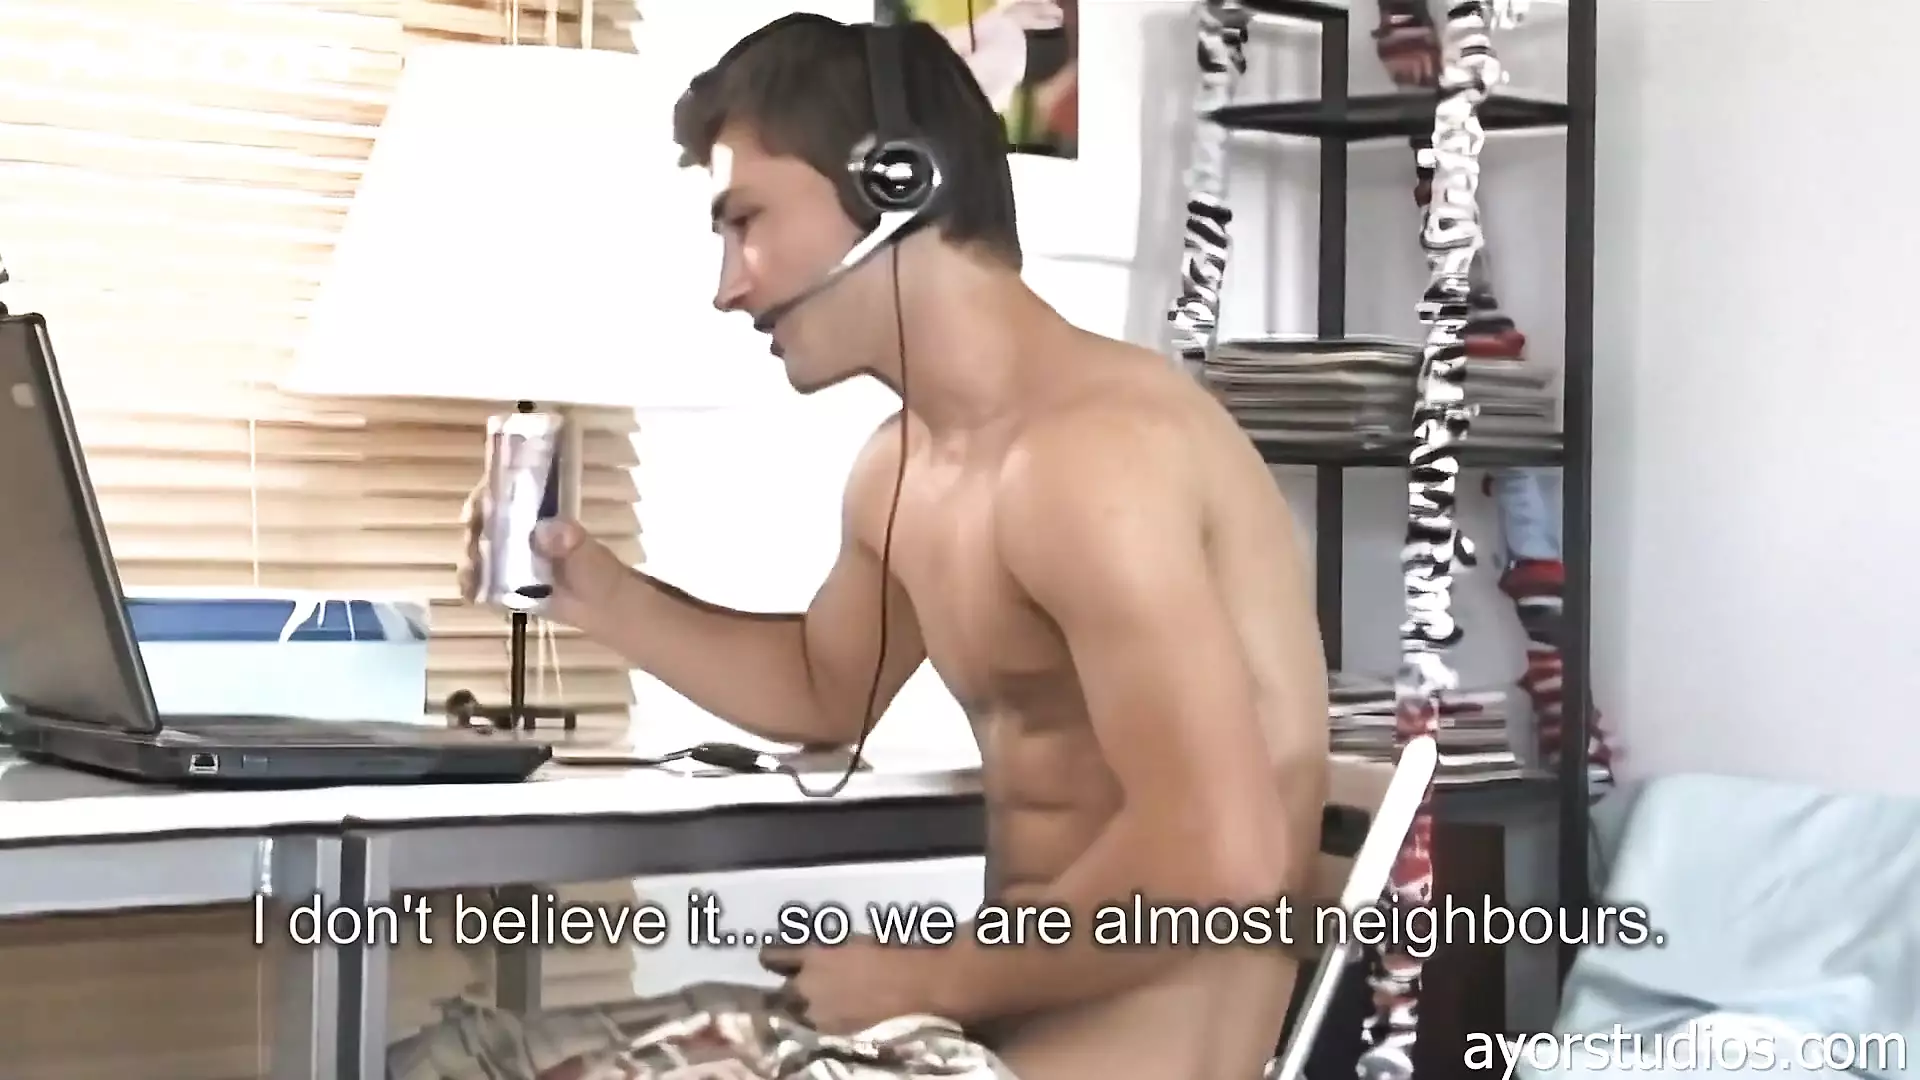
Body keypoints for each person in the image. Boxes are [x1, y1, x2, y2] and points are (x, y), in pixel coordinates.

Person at [451, 14, 1328, 1080]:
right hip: (971, 1032)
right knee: (466, 1057)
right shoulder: (907, 467)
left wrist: (927, 978)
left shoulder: (1094, 460)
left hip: (1100, 1061)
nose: (729, 286)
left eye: (747, 221)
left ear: (895, 182)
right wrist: (594, 590)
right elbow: (825, 689)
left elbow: (1225, 859)